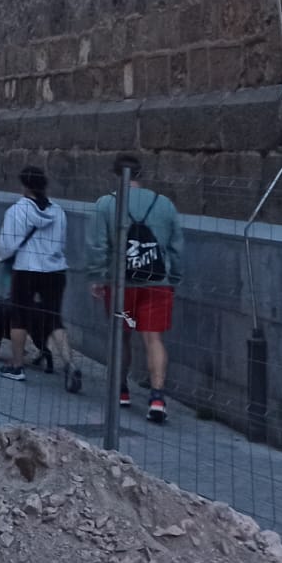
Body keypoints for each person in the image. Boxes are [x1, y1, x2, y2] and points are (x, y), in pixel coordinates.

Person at [87, 155, 184, 424]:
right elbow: (176, 246)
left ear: (116, 175)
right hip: (157, 280)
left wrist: (97, 277)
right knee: (153, 338)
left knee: (121, 336)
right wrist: (174, 277)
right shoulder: (164, 204)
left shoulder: (106, 204)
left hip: (121, 282)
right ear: (143, 173)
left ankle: (121, 391)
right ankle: (157, 397)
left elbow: (97, 245)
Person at [0, 166, 80, 391]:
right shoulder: (58, 212)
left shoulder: (17, 211)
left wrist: (4, 257)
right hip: (55, 270)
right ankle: (70, 364)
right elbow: (61, 243)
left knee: (20, 316)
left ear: (24, 186)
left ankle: (17, 365)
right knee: (54, 318)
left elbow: (7, 244)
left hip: (26, 268)